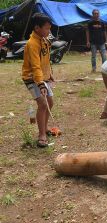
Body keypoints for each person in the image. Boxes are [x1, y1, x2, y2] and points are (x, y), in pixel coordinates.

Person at [22, 13, 54, 148]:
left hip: (43, 77)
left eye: (49, 28)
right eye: (46, 28)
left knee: (50, 103)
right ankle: (41, 135)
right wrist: (41, 84)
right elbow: (35, 66)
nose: (49, 31)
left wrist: (49, 73)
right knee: (42, 104)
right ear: (37, 28)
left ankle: (45, 128)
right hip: (32, 78)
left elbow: (45, 60)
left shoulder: (44, 40)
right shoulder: (32, 44)